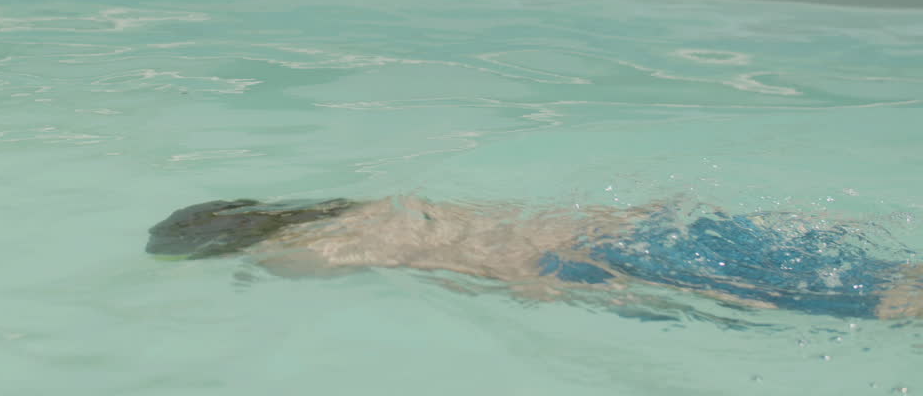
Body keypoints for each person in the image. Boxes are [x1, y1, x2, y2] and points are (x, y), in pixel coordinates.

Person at [146, 195, 923, 320]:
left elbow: (468, 273)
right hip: (636, 224)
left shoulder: (313, 253)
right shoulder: (359, 207)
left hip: (605, 262)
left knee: (872, 303)